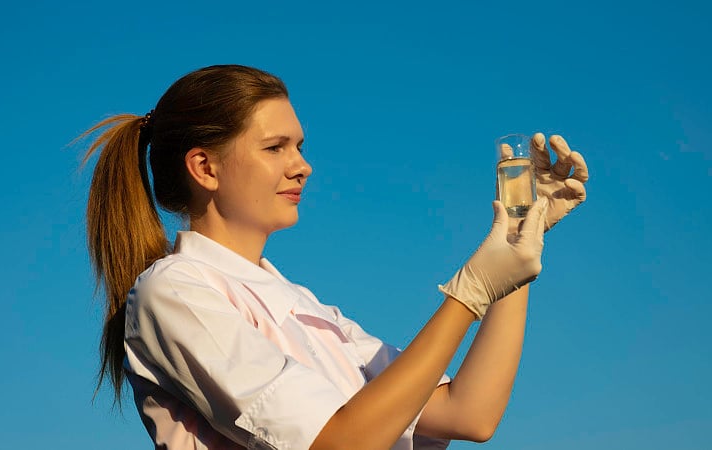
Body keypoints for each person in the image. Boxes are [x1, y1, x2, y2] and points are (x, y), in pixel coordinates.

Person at [81, 64, 588, 450]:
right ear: (205, 167)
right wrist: (469, 292)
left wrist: (518, 248)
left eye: (299, 146)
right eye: (275, 147)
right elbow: (335, 443)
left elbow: (468, 413)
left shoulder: (308, 309)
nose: (302, 166)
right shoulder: (173, 292)